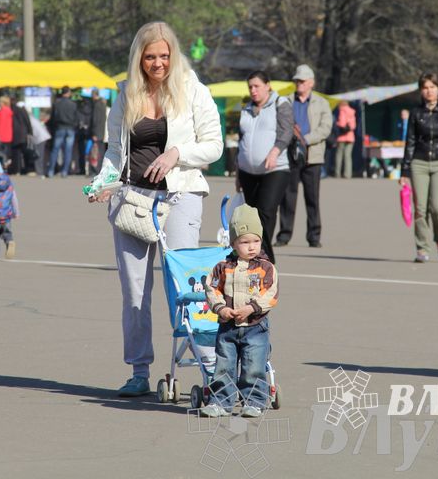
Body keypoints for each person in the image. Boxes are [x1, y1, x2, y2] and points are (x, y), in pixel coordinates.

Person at [89, 21, 222, 397]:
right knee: (133, 290)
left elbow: (214, 145)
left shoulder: (193, 88)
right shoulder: (125, 93)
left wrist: (177, 153)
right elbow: (115, 150)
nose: (158, 63)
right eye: (150, 57)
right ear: (139, 57)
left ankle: (208, 367)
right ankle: (139, 370)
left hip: (180, 197)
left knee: (183, 287)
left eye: (164, 56)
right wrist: (103, 183)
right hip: (132, 199)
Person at [201, 204, 279, 418]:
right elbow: (212, 288)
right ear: (234, 243)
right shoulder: (222, 267)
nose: (251, 246)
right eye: (245, 242)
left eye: (256, 241)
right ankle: (220, 402)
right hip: (228, 326)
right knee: (224, 365)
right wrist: (221, 308)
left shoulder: (266, 267)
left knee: (254, 365)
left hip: (256, 326)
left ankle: (253, 401)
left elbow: (271, 293)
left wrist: (252, 308)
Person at [399, 73, 438, 263]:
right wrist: (404, 171)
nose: (429, 91)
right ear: (421, 90)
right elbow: (409, 142)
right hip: (419, 162)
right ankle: (422, 248)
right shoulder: (416, 113)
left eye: (433, 87)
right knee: (420, 208)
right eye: (425, 88)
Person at [235, 70, 293, 263]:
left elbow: (286, 132)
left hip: (275, 169)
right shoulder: (246, 108)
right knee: (252, 217)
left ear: (268, 85)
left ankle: (265, 260)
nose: (253, 90)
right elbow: (241, 140)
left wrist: (275, 151)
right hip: (247, 172)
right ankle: (257, 257)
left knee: (266, 212)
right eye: (250, 87)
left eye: (257, 86)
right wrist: (237, 171)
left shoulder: (280, 104)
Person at [275, 64, 332, 248]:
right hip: (291, 155)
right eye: (297, 80)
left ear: (311, 83)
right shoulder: (286, 101)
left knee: (312, 198)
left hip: (312, 156)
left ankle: (314, 236)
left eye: (302, 80)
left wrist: (305, 139)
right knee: (287, 198)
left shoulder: (322, 103)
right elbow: (280, 124)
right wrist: (292, 138)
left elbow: (325, 128)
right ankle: (284, 235)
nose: (298, 83)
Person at [47, 87, 78, 177]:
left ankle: (51, 171)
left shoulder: (57, 103)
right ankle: (65, 171)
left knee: (55, 150)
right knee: (68, 151)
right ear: (68, 93)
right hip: (70, 128)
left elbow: (53, 117)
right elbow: (76, 117)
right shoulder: (73, 104)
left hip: (59, 127)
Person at [334, 100, 356, 179]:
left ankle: (337, 173)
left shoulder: (342, 111)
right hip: (350, 137)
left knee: (339, 155)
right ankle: (348, 174)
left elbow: (342, 123)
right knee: (348, 156)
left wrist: (337, 123)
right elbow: (353, 126)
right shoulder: (352, 112)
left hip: (342, 137)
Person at [10, 100, 33, 175]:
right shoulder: (22, 110)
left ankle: (17, 170)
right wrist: (30, 132)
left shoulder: (11, 110)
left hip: (15, 134)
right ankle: (28, 169)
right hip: (23, 134)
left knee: (16, 153)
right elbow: (27, 121)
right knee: (26, 152)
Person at [88, 88, 108, 175]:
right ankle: (99, 169)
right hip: (102, 132)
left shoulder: (96, 105)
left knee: (96, 152)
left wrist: (94, 133)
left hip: (97, 132)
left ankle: (95, 170)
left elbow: (95, 120)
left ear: (93, 94)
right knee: (101, 151)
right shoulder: (102, 104)